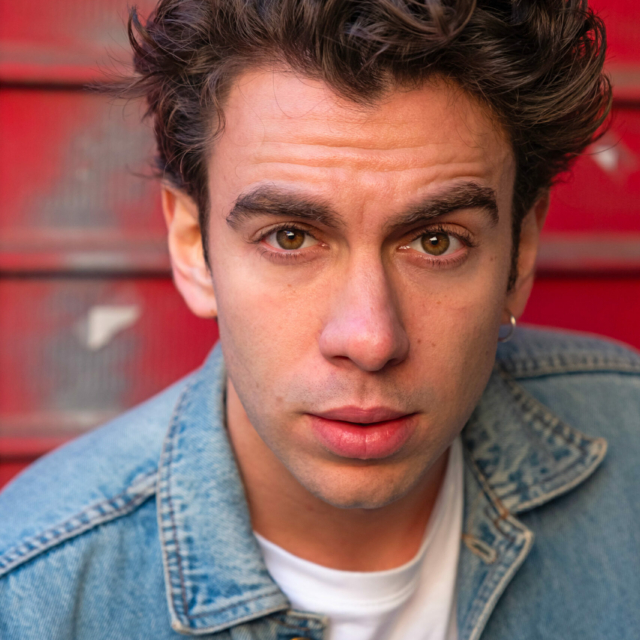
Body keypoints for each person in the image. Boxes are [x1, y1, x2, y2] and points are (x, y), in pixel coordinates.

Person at [1, 1, 639, 638]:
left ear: (520, 254)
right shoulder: (33, 600)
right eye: (290, 237)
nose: (370, 340)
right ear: (193, 247)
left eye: (437, 241)